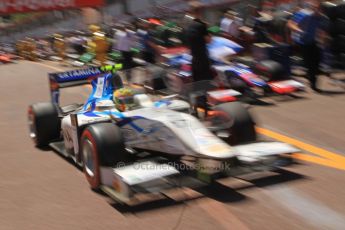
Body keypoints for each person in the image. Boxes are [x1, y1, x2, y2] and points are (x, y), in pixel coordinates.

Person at [287, 0, 329, 91]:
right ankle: (312, 82)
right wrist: (299, 31)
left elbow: (323, 31)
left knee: (316, 62)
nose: (318, 11)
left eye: (320, 9)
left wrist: (323, 40)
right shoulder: (303, 14)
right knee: (309, 63)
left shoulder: (323, 18)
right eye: (316, 8)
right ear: (313, 8)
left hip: (314, 42)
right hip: (302, 42)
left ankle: (312, 79)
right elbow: (290, 24)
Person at [184, 2, 213, 82]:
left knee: (197, 83)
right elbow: (209, 41)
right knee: (206, 82)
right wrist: (208, 29)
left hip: (194, 60)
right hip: (203, 59)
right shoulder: (201, 25)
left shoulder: (189, 27)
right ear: (200, 12)